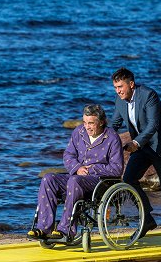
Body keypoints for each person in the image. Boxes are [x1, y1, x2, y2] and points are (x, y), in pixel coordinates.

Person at [111, 67, 161, 242]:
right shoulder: (120, 100)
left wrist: (135, 143)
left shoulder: (149, 95)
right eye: (115, 88)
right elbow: (114, 124)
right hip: (143, 149)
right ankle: (147, 220)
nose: (118, 91)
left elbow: (152, 125)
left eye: (120, 87)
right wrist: (99, 140)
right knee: (129, 179)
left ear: (131, 84)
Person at [27, 104, 124, 242]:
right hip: (77, 176)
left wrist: (92, 169)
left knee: (74, 181)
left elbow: (117, 168)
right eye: (85, 122)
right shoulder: (79, 132)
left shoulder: (112, 138)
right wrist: (78, 167)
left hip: (99, 181)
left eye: (91, 123)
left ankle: (65, 230)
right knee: (48, 178)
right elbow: (68, 155)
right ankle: (43, 228)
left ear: (101, 122)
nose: (87, 127)